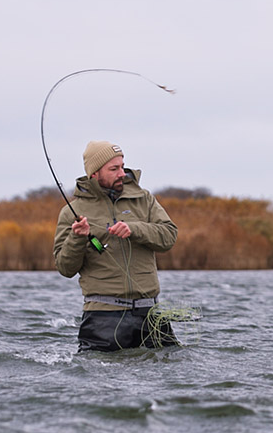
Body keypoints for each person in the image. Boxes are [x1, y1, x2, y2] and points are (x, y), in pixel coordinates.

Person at [53, 140, 179, 351]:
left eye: (122, 166)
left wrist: (135, 229)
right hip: (102, 317)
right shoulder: (71, 212)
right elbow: (65, 268)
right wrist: (77, 238)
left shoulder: (144, 199)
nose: (122, 173)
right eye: (114, 169)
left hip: (150, 314)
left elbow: (169, 236)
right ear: (95, 174)